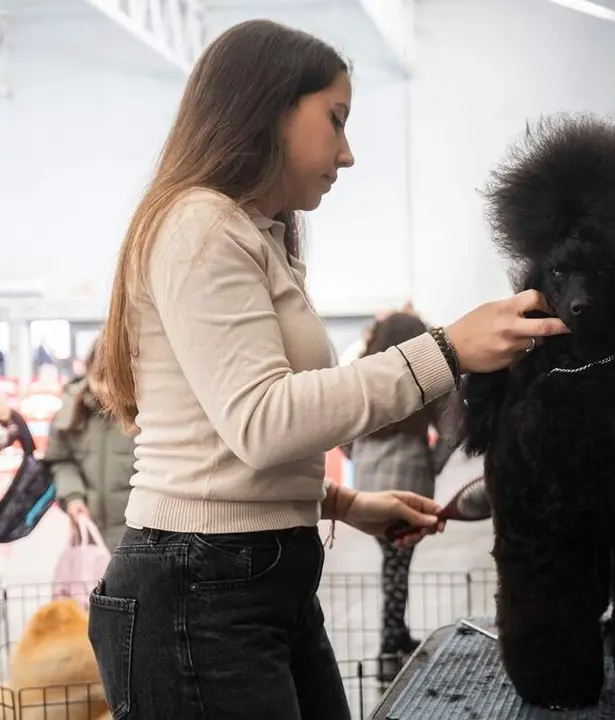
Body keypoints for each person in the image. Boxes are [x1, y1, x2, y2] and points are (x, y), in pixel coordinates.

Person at [87, 20, 568, 720]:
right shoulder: (199, 225)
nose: (346, 153)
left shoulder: (255, 235)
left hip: (255, 581)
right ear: (267, 106)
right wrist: (446, 351)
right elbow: (260, 421)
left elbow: (224, 443)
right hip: (200, 592)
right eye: (335, 120)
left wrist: (347, 506)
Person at [352, 311, 457, 662]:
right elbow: (455, 428)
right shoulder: (425, 373)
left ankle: (394, 633)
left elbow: (341, 427)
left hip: (368, 477)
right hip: (409, 472)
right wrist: (433, 463)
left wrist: (358, 456)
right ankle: (391, 638)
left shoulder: (365, 370)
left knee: (392, 557)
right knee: (400, 557)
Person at [44, 342, 134, 551]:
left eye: (114, 380)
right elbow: (61, 460)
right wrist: (73, 497)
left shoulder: (147, 412)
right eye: (99, 379)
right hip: (91, 535)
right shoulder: (71, 410)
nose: (106, 389)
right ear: (88, 372)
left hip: (139, 540)